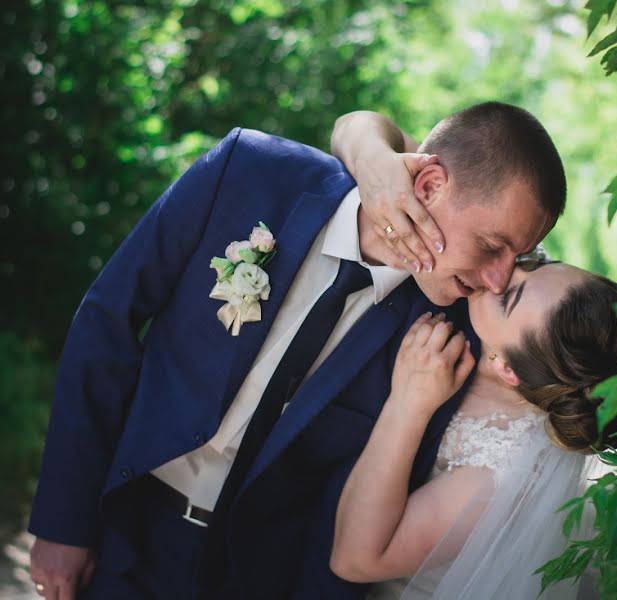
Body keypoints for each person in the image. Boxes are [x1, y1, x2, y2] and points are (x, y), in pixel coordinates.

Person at [27, 102, 566, 600]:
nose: (499, 279)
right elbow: (107, 323)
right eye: (492, 247)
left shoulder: (446, 337)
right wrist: (63, 523)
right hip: (124, 524)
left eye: (518, 255)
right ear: (427, 186)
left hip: (259, 580)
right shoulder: (251, 172)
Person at [330, 259, 617, 599]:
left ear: (509, 371)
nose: (503, 272)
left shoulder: (500, 472)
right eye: (537, 263)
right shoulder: (522, 321)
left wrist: (408, 402)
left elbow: (358, 560)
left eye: (507, 297)